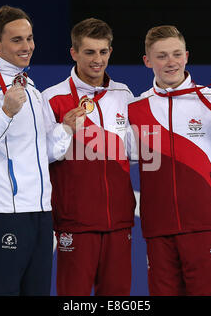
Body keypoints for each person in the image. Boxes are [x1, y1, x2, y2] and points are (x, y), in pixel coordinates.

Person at [128, 25, 211, 296]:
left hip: (205, 223)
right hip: (158, 229)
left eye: (177, 54)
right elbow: (121, 156)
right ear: (147, 61)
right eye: (162, 56)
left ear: (187, 56)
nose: (171, 62)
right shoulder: (136, 107)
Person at [0, 5, 82, 296]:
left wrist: (65, 129)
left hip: (39, 211)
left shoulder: (32, 90)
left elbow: (44, 154)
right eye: (17, 40)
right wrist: (6, 113)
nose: (27, 46)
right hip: (4, 210)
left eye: (30, 38)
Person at [41, 18, 136, 296]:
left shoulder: (124, 94)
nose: (98, 60)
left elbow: (132, 152)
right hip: (76, 221)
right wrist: (65, 129)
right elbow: (42, 155)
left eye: (103, 52)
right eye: (90, 52)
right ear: (74, 53)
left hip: (119, 220)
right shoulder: (52, 98)